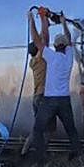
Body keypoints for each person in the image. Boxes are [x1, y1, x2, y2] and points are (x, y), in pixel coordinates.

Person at [26, 10, 83, 164]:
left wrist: (31, 20)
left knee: (38, 129)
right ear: (65, 46)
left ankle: (40, 158)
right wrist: (63, 22)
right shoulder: (69, 56)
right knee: (71, 129)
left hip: (49, 100)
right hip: (64, 99)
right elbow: (70, 39)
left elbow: (37, 40)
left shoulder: (51, 57)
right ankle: (78, 157)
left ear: (56, 45)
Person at [22, 11, 56, 155]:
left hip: (38, 97)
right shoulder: (41, 59)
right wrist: (40, 18)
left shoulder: (34, 61)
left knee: (39, 128)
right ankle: (40, 155)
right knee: (46, 130)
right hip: (44, 98)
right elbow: (43, 39)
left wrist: (44, 23)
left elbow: (42, 39)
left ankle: (24, 153)